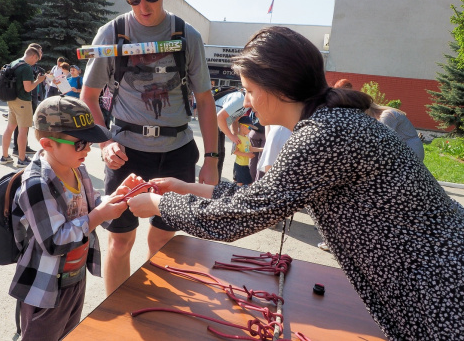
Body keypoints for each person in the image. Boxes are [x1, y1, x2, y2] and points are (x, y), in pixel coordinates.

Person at [127, 26, 464, 341]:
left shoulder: (322, 135)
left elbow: (243, 216)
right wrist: (183, 187)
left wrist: (159, 205)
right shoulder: (333, 124)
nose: (245, 102)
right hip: (433, 272)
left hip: (438, 282)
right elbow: (260, 199)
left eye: (249, 91)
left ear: (278, 88)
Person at [80, 0, 218, 295]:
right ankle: (119, 313)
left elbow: (204, 100)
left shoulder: (188, 36)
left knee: (163, 242)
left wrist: (213, 161)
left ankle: (157, 311)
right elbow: (88, 96)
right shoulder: (111, 34)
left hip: (177, 152)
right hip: (128, 152)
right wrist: (104, 141)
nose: (143, 5)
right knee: (121, 242)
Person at [9, 95, 134, 341]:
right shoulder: (36, 184)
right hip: (44, 286)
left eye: (89, 142)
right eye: (80, 144)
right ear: (47, 144)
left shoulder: (77, 168)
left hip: (75, 278)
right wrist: (99, 214)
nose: (88, 149)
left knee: (68, 333)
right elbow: (54, 242)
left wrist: (117, 198)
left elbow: (92, 204)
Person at [1, 44, 46, 167]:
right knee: (23, 130)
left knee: (9, 128)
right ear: (32, 56)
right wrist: (38, 81)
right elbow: (28, 88)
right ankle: (21, 159)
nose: (35, 62)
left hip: (12, 99)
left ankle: (4, 156)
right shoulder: (26, 68)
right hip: (23, 101)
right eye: (36, 59)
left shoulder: (14, 62)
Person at [215, 88, 249, 179]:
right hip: (212, 123)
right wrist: (231, 136)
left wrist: (236, 136)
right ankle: (212, 185)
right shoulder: (240, 99)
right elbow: (219, 117)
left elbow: (235, 119)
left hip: (221, 125)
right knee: (215, 155)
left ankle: (216, 183)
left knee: (221, 154)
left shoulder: (248, 105)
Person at [231, 116, 262, 186]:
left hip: (244, 165)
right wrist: (247, 155)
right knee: (246, 183)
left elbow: (250, 148)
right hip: (240, 165)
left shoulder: (246, 138)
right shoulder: (237, 138)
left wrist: (262, 149)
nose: (250, 130)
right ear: (242, 126)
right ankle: (236, 195)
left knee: (241, 183)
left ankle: (235, 194)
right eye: (249, 128)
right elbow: (234, 151)